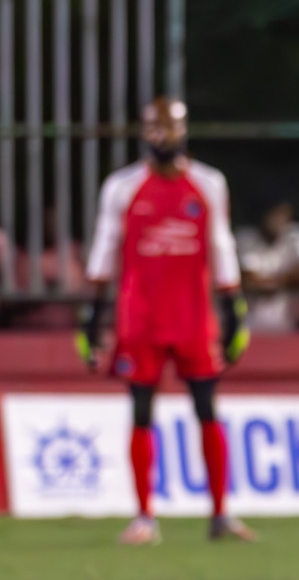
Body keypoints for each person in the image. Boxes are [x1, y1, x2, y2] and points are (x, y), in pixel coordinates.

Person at [77, 97, 255, 545]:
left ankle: (220, 513)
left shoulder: (209, 185)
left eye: (171, 126)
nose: (164, 135)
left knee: (206, 407)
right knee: (141, 410)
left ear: (184, 129)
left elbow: (220, 245)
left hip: (193, 315)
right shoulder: (123, 187)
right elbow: (105, 248)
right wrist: (93, 312)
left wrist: (232, 306)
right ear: (145, 132)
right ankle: (144, 516)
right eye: (155, 127)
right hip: (140, 317)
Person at [235, 199, 299, 333]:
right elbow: (249, 280)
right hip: (249, 328)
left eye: (283, 214)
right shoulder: (245, 238)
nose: (278, 220)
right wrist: (291, 280)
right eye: (274, 214)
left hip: (289, 326)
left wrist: (276, 282)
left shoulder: (295, 235)